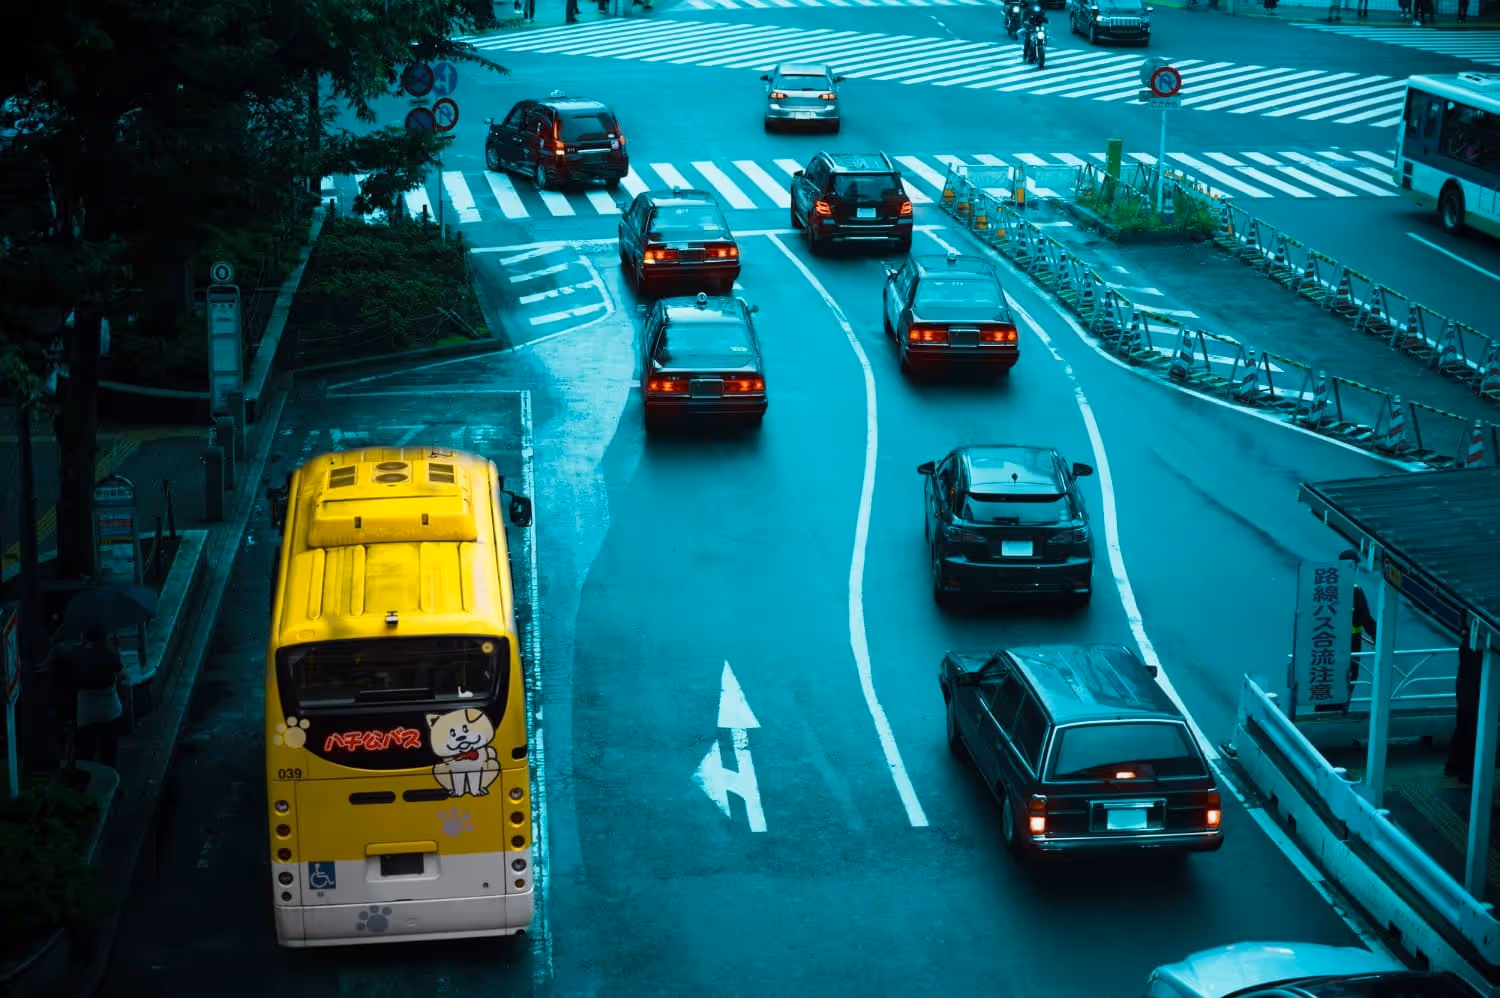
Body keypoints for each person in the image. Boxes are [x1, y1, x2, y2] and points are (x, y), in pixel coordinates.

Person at [65, 628, 126, 768]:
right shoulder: (110, 655)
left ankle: (87, 782)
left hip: (86, 712)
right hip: (109, 711)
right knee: (109, 751)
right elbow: (123, 675)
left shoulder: (76, 655)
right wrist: (116, 650)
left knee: (86, 752)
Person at [1446, 632, 1483, 782]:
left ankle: (1456, 766)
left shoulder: (1468, 644)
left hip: (1466, 691)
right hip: (1475, 693)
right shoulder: (1482, 649)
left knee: (1464, 725)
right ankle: (1465, 771)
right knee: (1471, 730)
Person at [1339, 550, 1378, 686]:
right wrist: (1376, 635)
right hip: (1351, 641)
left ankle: (1324, 706)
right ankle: (1343, 706)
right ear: (1353, 566)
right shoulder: (1355, 590)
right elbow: (1364, 617)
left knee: (1330, 675)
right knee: (1350, 675)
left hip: (1329, 640)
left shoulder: (1327, 587)